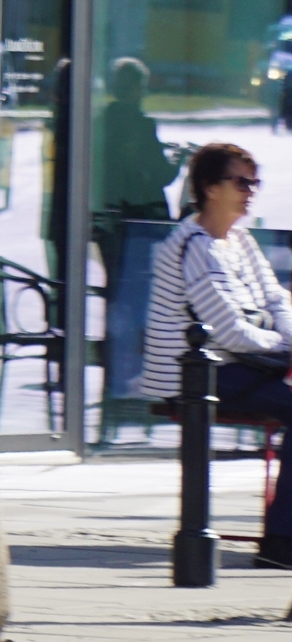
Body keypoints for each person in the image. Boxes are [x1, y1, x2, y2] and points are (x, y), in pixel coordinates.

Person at [143, 142, 292, 567]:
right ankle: (281, 543)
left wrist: (283, 335)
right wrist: (283, 344)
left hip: (235, 366)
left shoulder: (240, 240)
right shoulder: (197, 245)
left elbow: (277, 301)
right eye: (241, 182)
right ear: (209, 187)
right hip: (195, 377)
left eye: (254, 182)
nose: (251, 191)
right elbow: (228, 331)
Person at [92, 56, 180, 286]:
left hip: (106, 218)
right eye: (142, 87)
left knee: (114, 283)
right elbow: (161, 175)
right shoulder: (142, 126)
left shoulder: (100, 122)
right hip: (138, 220)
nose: (144, 93)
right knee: (137, 287)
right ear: (134, 89)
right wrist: (178, 161)